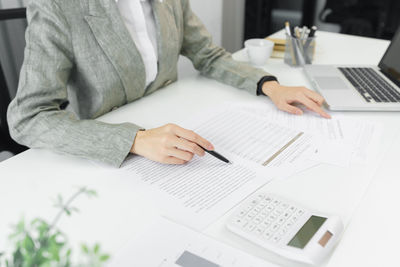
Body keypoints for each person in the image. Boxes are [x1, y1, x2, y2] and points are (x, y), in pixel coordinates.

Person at [7, 0, 330, 168]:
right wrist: (132, 140)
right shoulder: (59, 7)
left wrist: (270, 85)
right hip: (108, 144)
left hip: (174, 122)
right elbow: (29, 118)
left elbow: (207, 54)